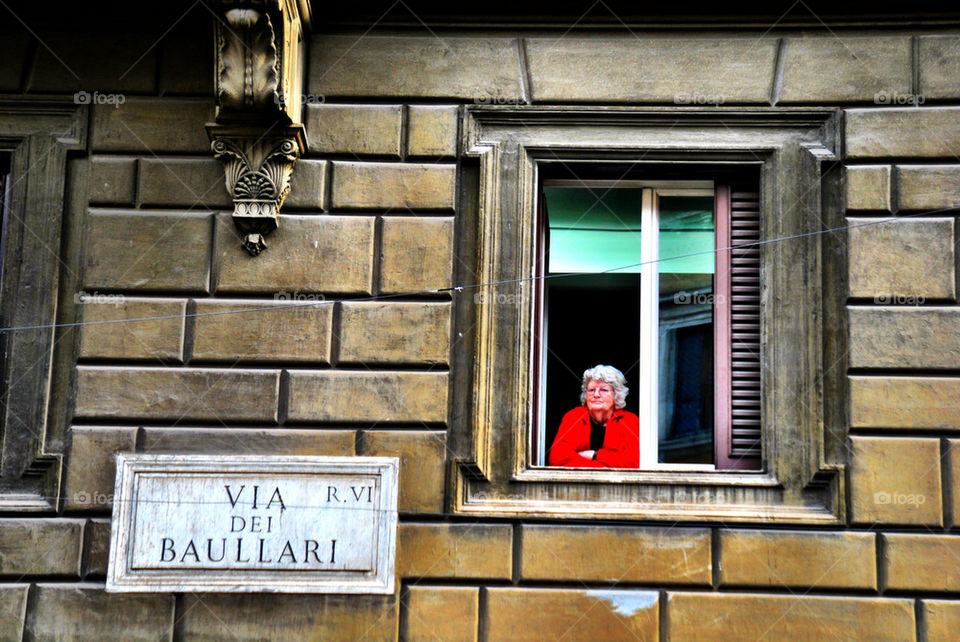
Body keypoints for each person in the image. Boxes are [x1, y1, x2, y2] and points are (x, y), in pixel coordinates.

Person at [548, 364, 640, 468]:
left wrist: (595, 454)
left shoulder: (629, 421)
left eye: (604, 390)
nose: (596, 395)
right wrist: (603, 468)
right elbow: (557, 459)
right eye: (591, 390)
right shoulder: (574, 417)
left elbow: (633, 463)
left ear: (616, 394)